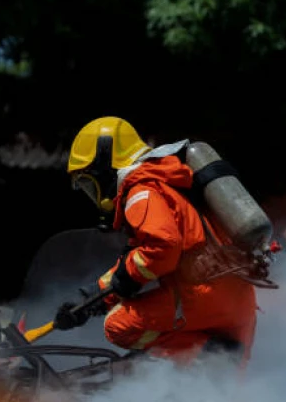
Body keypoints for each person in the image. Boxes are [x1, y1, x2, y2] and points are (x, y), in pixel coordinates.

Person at [52, 116, 260, 368]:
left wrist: (126, 282)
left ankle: (198, 353)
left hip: (202, 297)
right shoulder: (171, 183)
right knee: (227, 392)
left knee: (117, 325)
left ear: (105, 167)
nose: (93, 193)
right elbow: (140, 256)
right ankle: (205, 358)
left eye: (89, 182)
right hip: (239, 298)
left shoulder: (141, 192)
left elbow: (162, 247)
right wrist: (92, 298)